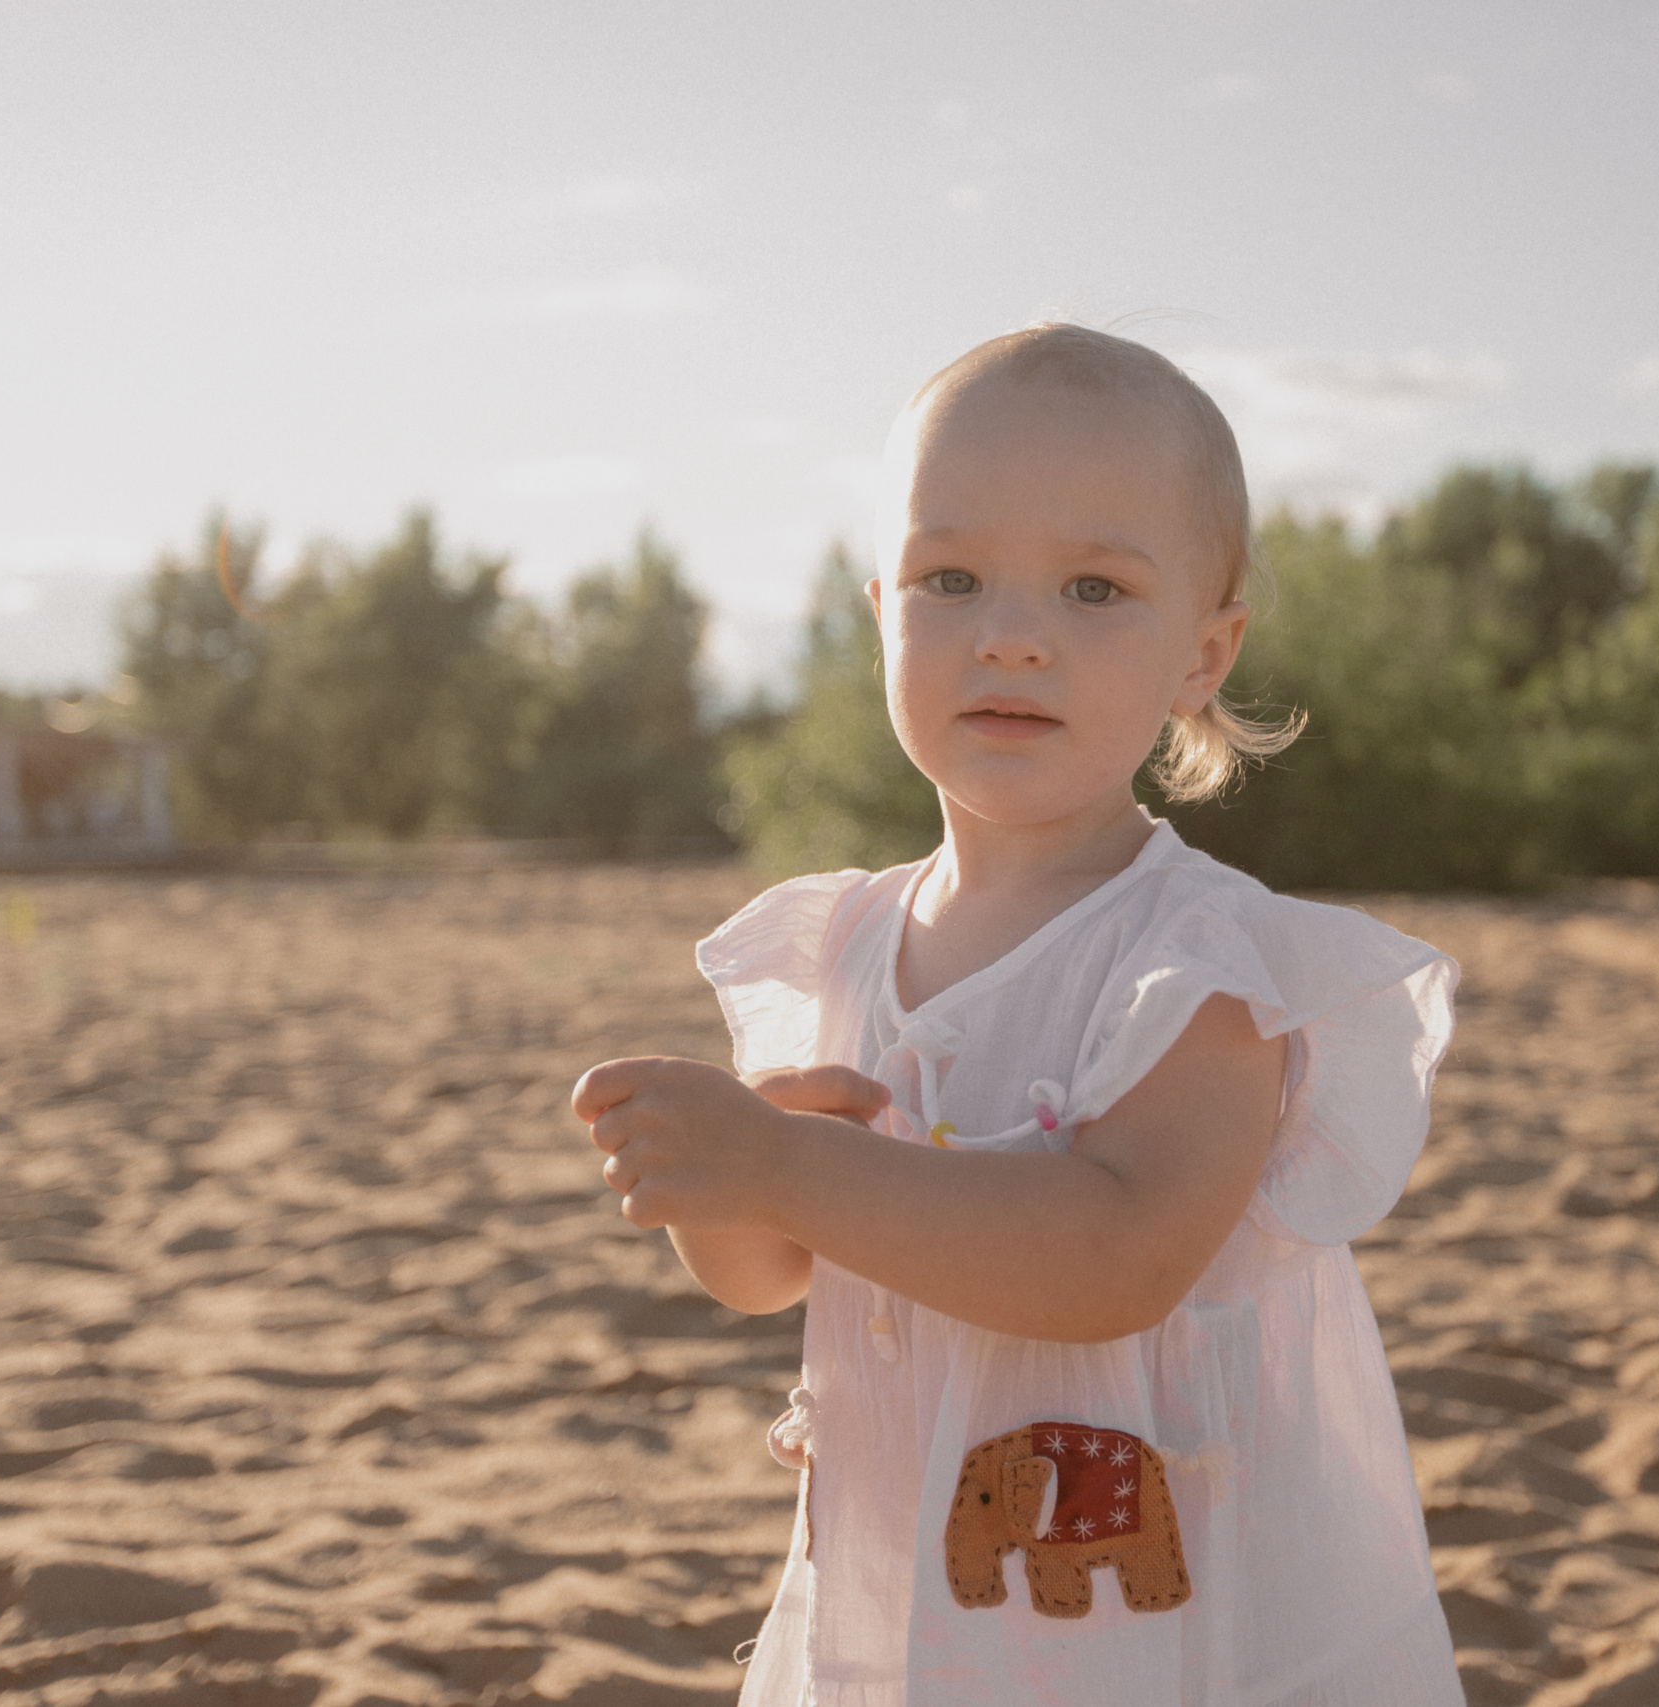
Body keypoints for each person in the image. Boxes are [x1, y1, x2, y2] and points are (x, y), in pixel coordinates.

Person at [572, 323, 1464, 1706]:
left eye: (1095, 588)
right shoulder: (845, 945)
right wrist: (720, 1184)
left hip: (1154, 1616)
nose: (1010, 635)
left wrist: (792, 1166)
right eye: (952, 579)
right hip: (908, 1584)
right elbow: (770, 1273)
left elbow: (1118, 1257)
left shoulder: (1197, 967)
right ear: (881, 611)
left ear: (1203, 655)